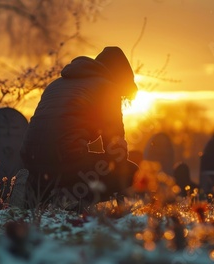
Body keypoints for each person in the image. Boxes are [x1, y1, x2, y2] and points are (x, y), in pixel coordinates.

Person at [20, 46, 139, 211]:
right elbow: (115, 146)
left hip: (30, 158)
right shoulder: (107, 88)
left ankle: (33, 192)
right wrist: (119, 174)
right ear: (119, 77)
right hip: (66, 160)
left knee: (56, 165)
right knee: (130, 170)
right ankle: (74, 204)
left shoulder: (55, 84)